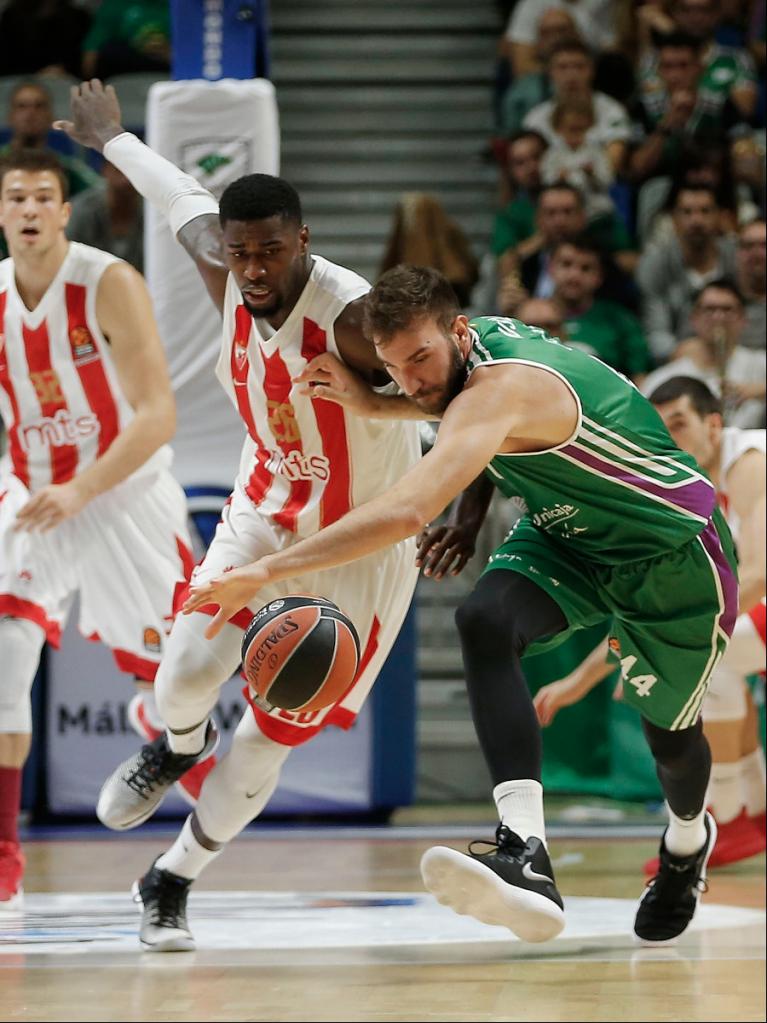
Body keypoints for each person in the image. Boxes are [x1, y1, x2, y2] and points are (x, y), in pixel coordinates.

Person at [182, 264, 738, 947]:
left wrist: (264, 570)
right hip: (565, 532)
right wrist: (469, 512)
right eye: (393, 366)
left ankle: (687, 841)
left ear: (456, 329)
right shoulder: (469, 359)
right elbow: (475, 430)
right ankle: (524, 851)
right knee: (482, 619)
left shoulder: (503, 383)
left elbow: (411, 505)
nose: (410, 378)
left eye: (419, 357)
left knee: (671, 745)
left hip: (669, 553)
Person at [55, 80, 421, 952]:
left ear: (303, 242)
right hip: (265, 506)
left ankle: (170, 877)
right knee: (180, 673)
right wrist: (113, 140)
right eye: (241, 252)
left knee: (267, 739)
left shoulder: (361, 321)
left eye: (269, 251)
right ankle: (178, 745)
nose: (252, 268)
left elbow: (468, 391)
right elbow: (181, 196)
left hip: (357, 546)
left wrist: (381, 414)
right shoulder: (222, 266)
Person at [0, 149, 202, 907]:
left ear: (62, 209)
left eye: (41, 197)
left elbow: (157, 415)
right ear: (0, 212)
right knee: (5, 650)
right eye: (13, 196)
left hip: (122, 492)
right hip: (32, 496)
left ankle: (199, 822)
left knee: (174, 684)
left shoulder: (107, 282)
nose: (26, 209)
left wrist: (84, 485)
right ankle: (4, 853)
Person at [534, 376, 765, 868]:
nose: (670, 438)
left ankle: (726, 817)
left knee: (707, 661)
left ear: (715, 424)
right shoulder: (679, 494)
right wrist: (586, 675)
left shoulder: (748, 465)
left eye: (680, 424)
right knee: (707, 658)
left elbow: (759, 576)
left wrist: (658, 652)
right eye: (660, 427)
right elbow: (658, 614)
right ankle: (752, 809)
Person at [641, 279, 766, 429]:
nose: (718, 317)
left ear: (743, 319)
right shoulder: (665, 377)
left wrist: (760, 389)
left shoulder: (759, 364)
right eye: (710, 309)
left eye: (727, 309)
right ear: (694, 318)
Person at [637, 184, 737, 362]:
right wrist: (686, 354)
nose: (696, 220)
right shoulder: (656, 262)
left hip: (738, 356)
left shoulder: (736, 257)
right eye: (687, 212)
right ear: (674, 219)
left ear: (720, 217)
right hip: (680, 359)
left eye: (705, 211)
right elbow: (656, 332)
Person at [548, 235, 652, 381]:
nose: (574, 275)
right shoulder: (529, 315)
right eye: (566, 264)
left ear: (599, 277)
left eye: (586, 269)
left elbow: (640, 378)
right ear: (550, 268)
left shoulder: (621, 321)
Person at [66, 160, 144, 272]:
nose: (126, 180)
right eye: (119, 171)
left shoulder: (153, 213)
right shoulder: (82, 210)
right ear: (105, 171)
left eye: (132, 173)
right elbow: (67, 260)